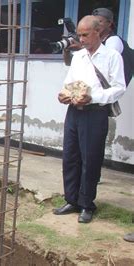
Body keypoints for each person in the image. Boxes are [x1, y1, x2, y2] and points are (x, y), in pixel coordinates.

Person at [53, 16, 126, 223]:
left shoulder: (112, 56)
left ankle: (86, 204)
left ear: (98, 33)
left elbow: (119, 88)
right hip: (74, 112)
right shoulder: (78, 57)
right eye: (79, 34)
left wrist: (93, 97)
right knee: (70, 157)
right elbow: (69, 82)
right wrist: (63, 94)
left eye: (85, 35)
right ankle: (71, 200)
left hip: (95, 113)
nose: (81, 39)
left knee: (90, 160)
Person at [63, 8, 132, 85]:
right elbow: (69, 62)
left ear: (109, 23)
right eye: (94, 23)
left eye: (99, 21)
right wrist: (66, 50)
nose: (96, 25)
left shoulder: (114, 40)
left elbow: (104, 63)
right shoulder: (90, 42)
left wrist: (81, 48)